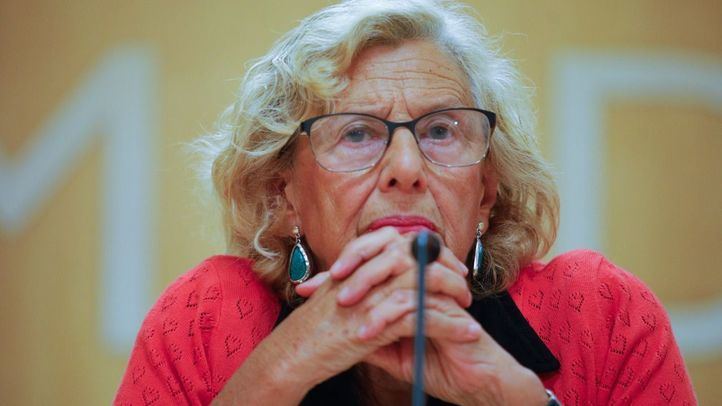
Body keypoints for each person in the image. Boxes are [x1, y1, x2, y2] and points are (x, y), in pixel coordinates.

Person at [114, 1, 697, 404]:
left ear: (486, 193)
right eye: (357, 133)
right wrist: (280, 369)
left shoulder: (599, 313)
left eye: (441, 130)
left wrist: (515, 401)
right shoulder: (207, 318)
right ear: (283, 195)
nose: (407, 170)